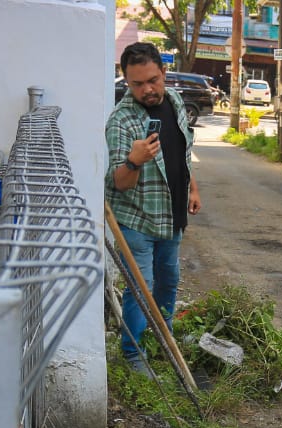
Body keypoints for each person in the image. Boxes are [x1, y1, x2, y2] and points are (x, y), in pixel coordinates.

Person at [106, 42, 202, 373]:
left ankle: (163, 340)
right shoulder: (122, 121)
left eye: (152, 80)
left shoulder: (174, 100)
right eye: (137, 84)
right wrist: (134, 161)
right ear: (126, 81)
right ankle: (135, 355)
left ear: (163, 71)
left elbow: (184, 153)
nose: (147, 90)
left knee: (168, 282)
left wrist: (193, 188)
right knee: (140, 289)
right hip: (137, 219)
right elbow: (118, 182)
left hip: (171, 217)